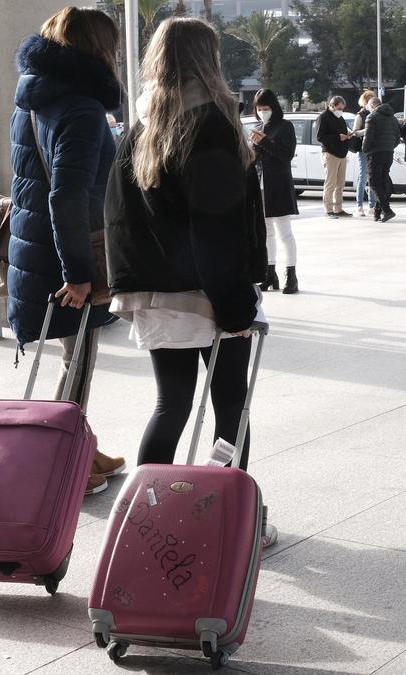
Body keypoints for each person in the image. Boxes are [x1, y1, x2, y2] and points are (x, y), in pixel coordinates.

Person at [103, 16, 276, 547]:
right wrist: (236, 305)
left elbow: (118, 216)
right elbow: (216, 225)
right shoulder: (211, 124)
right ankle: (232, 525)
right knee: (230, 406)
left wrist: (127, 286)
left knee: (171, 404)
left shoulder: (141, 127)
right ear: (209, 58)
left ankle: (140, 522)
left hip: (157, 293)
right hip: (207, 289)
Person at [9, 7, 125, 495]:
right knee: (78, 360)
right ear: (99, 51)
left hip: (37, 250)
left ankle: (79, 443)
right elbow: (68, 195)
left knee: (70, 354)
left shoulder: (34, 99)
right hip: (68, 258)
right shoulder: (80, 108)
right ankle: (61, 468)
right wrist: (79, 272)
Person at [251, 89, 300, 294]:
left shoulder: (285, 126)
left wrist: (263, 142)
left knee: (284, 232)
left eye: (266, 108)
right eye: (259, 109)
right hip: (261, 186)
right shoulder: (258, 127)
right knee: (266, 233)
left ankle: (291, 274)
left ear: (274, 108)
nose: (263, 112)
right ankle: (270, 273)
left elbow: (286, 155)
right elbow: (255, 158)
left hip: (278, 186)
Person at [362, 95, 400, 222]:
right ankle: (378, 213)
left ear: (371, 106)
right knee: (382, 183)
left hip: (375, 154)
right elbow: (397, 137)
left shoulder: (371, 117)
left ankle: (387, 210)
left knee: (373, 183)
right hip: (388, 153)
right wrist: (389, 147)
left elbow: (368, 138)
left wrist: (365, 150)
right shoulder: (393, 118)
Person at [316, 95, 352, 218]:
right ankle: (328, 209)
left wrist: (348, 135)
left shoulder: (340, 118)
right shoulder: (323, 117)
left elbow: (343, 132)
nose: (340, 111)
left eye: (342, 108)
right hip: (330, 153)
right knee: (330, 183)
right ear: (331, 106)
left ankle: (338, 208)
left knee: (340, 184)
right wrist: (338, 137)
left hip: (342, 154)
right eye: (339, 108)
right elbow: (320, 137)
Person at [351, 90, 378, 217]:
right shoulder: (360, 115)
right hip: (363, 149)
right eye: (371, 99)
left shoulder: (376, 114)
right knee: (363, 176)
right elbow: (354, 132)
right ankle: (359, 206)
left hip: (374, 148)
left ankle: (372, 206)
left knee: (372, 177)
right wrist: (368, 130)